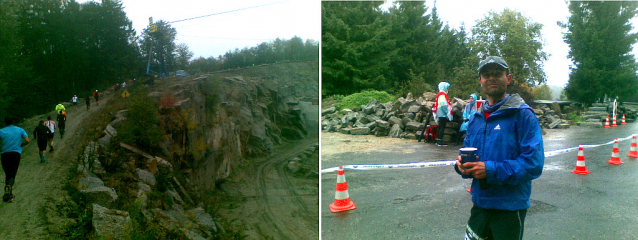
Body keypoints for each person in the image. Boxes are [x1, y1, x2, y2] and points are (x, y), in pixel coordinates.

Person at [455, 56, 544, 240]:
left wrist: (491, 170)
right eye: (486, 75)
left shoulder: (523, 115)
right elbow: (468, 153)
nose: (492, 78)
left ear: (508, 78)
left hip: (509, 208)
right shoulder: (476, 118)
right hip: (480, 204)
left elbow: (533, 163)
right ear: (480, 81)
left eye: (497, 74)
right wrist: (462, 167)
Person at [0, 116, 30, 202]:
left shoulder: (1, 131)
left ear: (5, 122)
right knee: (12, 174)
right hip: (16, 154)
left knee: (7, 174)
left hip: (4, 154)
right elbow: (27, 140)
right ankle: (9, 189)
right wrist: (21, 145)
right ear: (13, 121)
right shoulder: (20, 130)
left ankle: (9, 194)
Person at [432, 81, 453, 146]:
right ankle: (440, 140)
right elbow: (443, 105)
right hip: (442, 113)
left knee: (440, 126)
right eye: (447, 87)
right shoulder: (442, 95)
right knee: (442, 127)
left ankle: (438, 140)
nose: (448, 89)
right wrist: (447, 112)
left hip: (439, 112)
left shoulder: (440, 94)